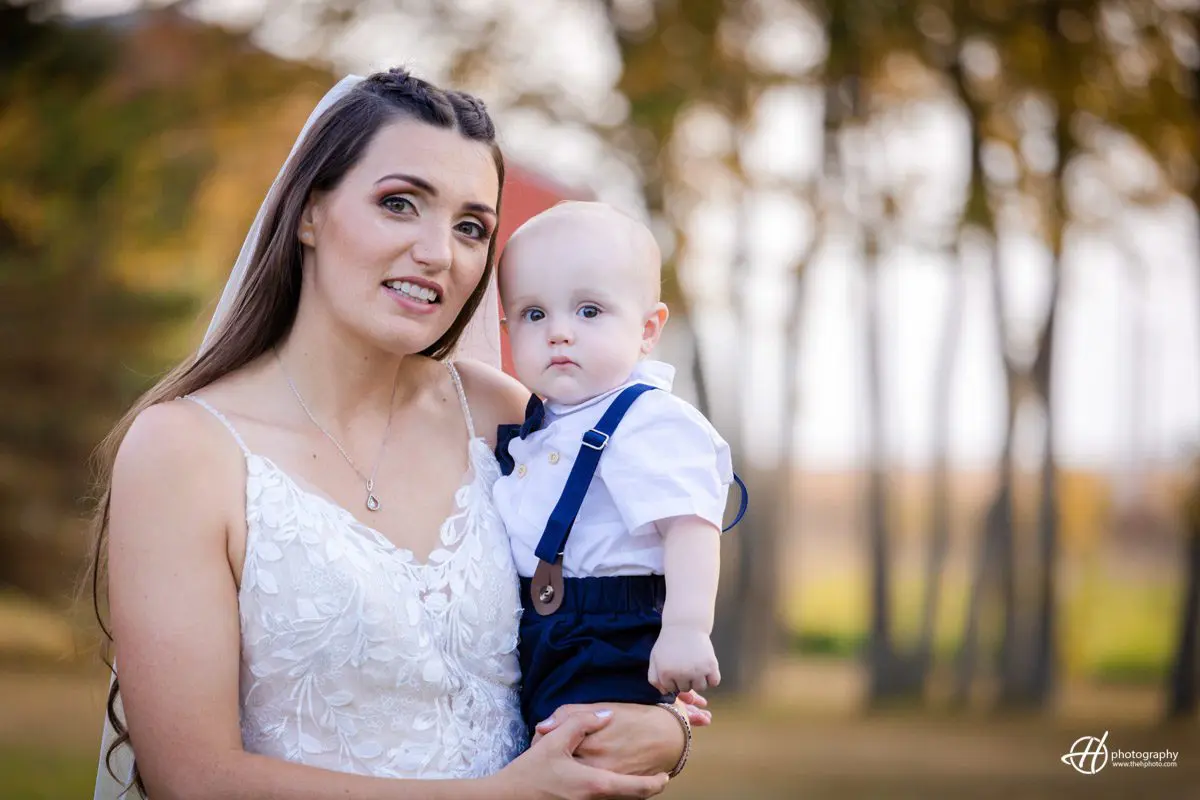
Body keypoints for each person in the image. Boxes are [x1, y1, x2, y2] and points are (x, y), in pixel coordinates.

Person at [89, 69, 706, 800]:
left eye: (470, 226)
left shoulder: (507, 418)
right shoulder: (185, 452)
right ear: (310, 212)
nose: (438, 253)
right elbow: (192, 777)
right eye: (399, 204)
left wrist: (668, 732)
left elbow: (623, 608)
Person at [493, 202, 744, 741]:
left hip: (608, 629)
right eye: (534, 314)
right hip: (541, 630)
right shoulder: (541, 423)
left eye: (589, 311)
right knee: (536, 751)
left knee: (582, 754)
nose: (559, 332)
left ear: (648, 329)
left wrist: (684, 628)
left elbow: (691, 527)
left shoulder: (649, 419)